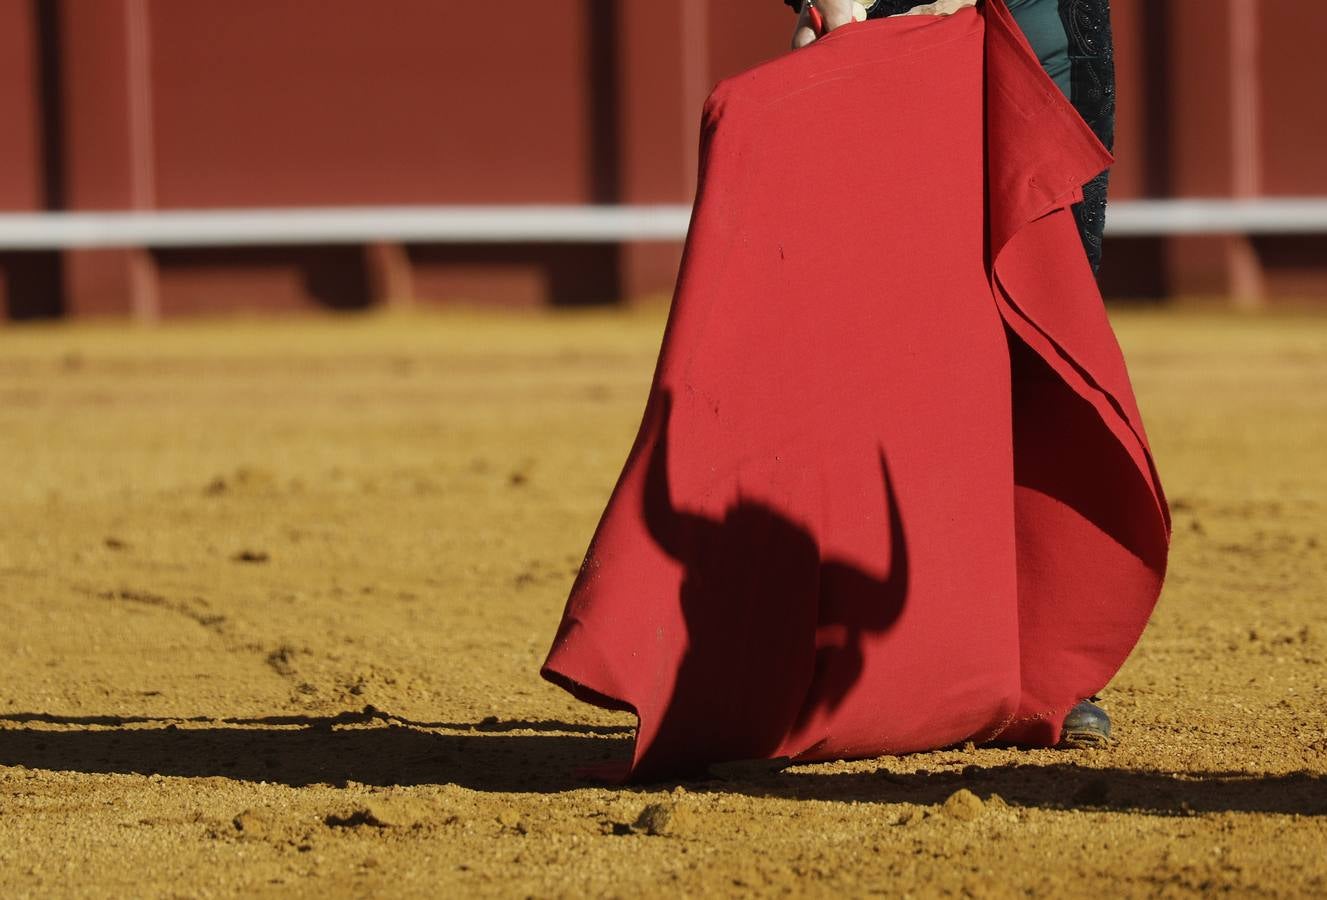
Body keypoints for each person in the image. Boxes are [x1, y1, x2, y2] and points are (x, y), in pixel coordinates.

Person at [543, 0, 1169, 781]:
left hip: (1037, 18)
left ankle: (1029, 674)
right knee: (887, 334)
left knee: (1033, 317)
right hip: (895, 11)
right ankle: (881, 662)